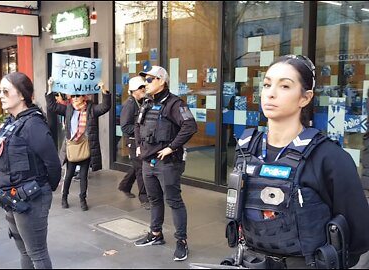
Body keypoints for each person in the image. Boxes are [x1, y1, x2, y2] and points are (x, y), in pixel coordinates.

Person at [223, 55, 369, 269]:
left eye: (284, 86)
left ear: (305, 98)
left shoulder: (329, 157)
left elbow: (359, 236)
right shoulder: (246, 150)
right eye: (266, 84)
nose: (270, 93)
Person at [0, 72, 61, 269]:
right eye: (0, 91)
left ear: (21, 95)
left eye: (5, 91)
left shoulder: (33, 124)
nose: (1, 96)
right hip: (11, 197)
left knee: (37, 253)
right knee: (24, 251)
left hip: (31, 198)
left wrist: (45, 190)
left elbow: (53, 164)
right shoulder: (12, 121)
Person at [134, 66, 197, 262]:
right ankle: (155, 234)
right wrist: (138, 145)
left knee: (174, 202)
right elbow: (138, 125)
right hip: (147, 161)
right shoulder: (146, 102)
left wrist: (172, 147)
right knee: (154, 200)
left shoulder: (174, 104)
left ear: (162, 81)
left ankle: (181, 241)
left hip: (167, 163)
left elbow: (190, 126)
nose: (146, 83)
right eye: (145, 80)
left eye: (150, 80)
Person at [46, 77, 111, 211]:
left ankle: (83, 199)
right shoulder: (69, 109)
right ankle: (64, 197)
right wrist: (50, 87)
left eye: (78, 95)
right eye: (73, 95)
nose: (75, 98)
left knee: (83, 176)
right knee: (68, 174)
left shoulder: (91, 109)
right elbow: (52, 106)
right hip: (72, 147)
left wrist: (103, 89)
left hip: (86, 147)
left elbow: (105, 106)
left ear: (84, 97)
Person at [118, 75, 150, 210]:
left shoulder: (141, 102)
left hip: (139, 140)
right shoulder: (130, 104)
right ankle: (144, 198)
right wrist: (141, 129)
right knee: (141, 169)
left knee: (137, 166)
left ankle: (124, 186)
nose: (143, 89)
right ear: (134, 90)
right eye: (140, 87)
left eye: (143, 87)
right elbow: (125, 126)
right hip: (133, 141)